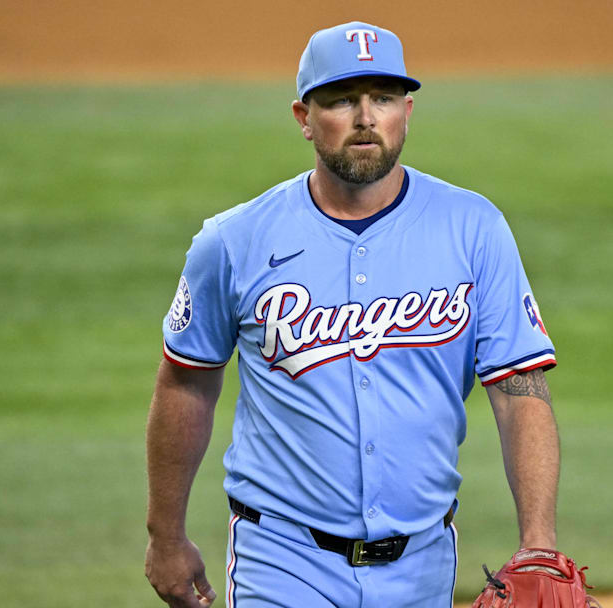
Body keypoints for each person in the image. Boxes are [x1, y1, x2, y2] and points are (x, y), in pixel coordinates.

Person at [145, 21, 560, 608]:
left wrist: (538, 541)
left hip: (423, 564)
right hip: (281, 562)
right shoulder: (234, 241)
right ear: (304, 117)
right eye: (342, 99)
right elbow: (186, 381)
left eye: (383, 98)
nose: (366, 117)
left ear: (407, 112)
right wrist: (166, 535)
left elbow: (520, 387)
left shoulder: (474, 229)